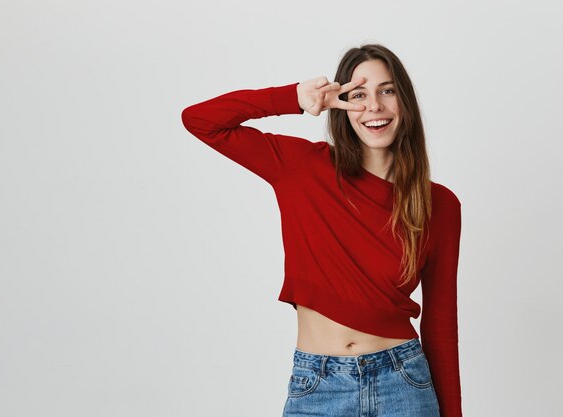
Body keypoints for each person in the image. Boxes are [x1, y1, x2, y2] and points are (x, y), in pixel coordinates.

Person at [181, 43, 463, 417]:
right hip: (318, 386)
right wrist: (295, 97)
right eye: (358, 94)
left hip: (405, 385)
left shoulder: (438, 204)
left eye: (387, 90)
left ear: (404, 102)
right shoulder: (301, 168)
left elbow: (441, 325)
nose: (374, 106)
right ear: (341, 103)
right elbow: (200, 120)